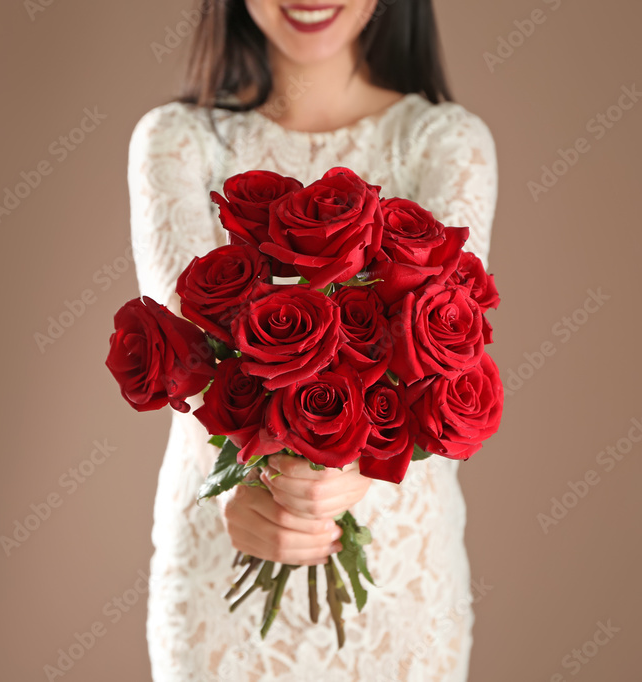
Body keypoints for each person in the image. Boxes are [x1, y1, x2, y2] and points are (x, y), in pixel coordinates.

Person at [128, 1, 497, 679]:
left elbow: (437, 355)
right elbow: (193, 357)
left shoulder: (444, 142)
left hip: (401, 583)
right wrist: (259, 488)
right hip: (223, 560)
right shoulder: (176, 140)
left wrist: (339, 475)